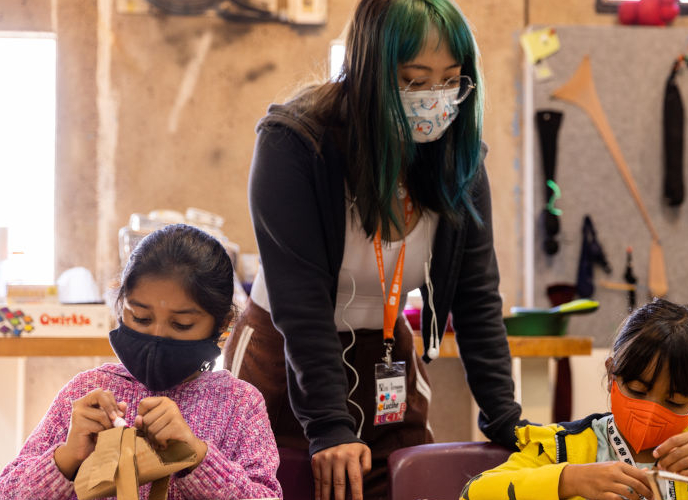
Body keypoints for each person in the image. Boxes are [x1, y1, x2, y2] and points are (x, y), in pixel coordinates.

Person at [222, 1, 523, 499]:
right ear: (368, 72)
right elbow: (301, 304)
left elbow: (477, 300)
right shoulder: (295, 144)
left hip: (385, 352)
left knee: (401, 484)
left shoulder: (459, 163)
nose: (435, 99)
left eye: (451, 80)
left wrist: (506, 419)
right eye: (414, 80)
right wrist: (328, 425)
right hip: (284, 355)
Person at [0, 224, 282, 500]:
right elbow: (2, 495)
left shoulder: (238, 404)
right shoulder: (87, 392)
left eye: (181, 324)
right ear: (120, 305)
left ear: (223, 325)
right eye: (141, 318)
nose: (156, 337)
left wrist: (197, 456)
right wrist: (67, 457)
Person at [461, 299, 688, 500]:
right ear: (611, 374)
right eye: (636, 390)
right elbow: (474, 494)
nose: (651, 411)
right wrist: (568, 480)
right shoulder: (563, 448)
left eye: (675, 401)